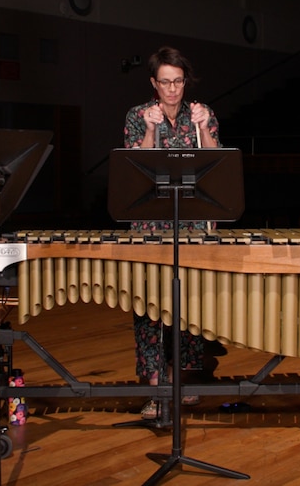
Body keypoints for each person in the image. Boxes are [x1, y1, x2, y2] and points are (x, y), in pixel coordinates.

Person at [122, 46, 221, 419]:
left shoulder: (202, 114)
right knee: (149, 310)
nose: (173, 89)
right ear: (154, 83)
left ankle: (185, 381)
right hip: (150, 225)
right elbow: (134, 169)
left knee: (189, 305)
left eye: (178, 81)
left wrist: (202, 127)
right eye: (165, 82)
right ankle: (154, 389)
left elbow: (215, 160)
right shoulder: (137, 116)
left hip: (192, 224)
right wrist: (150, 129)